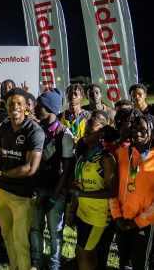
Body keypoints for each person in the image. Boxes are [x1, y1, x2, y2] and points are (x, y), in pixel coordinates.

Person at [0, 87, 45, 270]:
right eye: (11, 103)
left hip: (22, 195)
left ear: (26, 107)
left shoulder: (34, 131)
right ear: (6, 106)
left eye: (19, 103)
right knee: (8, 238)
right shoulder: (4, 128)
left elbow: (30, 168)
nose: (15, 107)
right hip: (3, 192)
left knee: (21, 242)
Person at [30, 89, 75, 270]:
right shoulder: (36, 129)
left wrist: (55, 195)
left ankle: (54, 265)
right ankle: (37, 262)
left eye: (40, 105)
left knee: (55, 232)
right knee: (35, 229)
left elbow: (67, 169)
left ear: (50, 108)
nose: (36, 108)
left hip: (55, 189)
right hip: (36, 188)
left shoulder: (65, 133)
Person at [68, 112, 117, 270]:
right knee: (89, 251)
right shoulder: (83, 156)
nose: (86, 132)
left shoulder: (106, 158)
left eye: (91, 130)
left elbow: (111, 192)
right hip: (82, 212)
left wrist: (81, 194)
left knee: (81, 251)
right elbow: (79, 186)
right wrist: (72, 210)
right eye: (86, 130)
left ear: (101, 133)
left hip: (97, 215)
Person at [110, 114, 154, 270]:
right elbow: (112, 188)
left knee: (140, 263)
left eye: (143, 129)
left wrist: (136, 223)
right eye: (134, 129)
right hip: (121, 220)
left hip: (144, 224)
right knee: (124, 261)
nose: (137, 133)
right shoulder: (121, 153)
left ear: (152, 131)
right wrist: (117, 216)